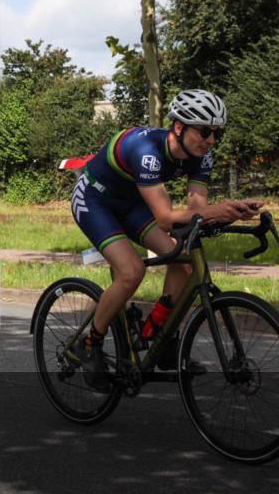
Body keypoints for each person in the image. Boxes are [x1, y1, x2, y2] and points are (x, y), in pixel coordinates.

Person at [70, 89, 261, 389]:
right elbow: (166, 218)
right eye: (206, 131)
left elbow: (197, 211)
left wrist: (230, 211)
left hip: (131, 202)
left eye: (216, 133)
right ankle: (90, 342)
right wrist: (220, 211)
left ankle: (159, 335)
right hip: (95, 200)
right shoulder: (146, 151)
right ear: (179, 127)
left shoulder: (201, 157)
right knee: (131, 271)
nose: (211, 140)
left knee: (184, 262)